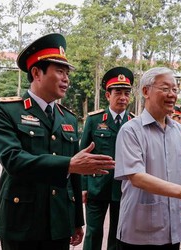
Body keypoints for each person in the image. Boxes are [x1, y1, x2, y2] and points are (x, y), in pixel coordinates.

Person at [0, 33, 115, 250]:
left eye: (67, 73)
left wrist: (76, 221)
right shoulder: (5, 109)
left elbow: (74, 175)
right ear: (37, 73)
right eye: (59, 71)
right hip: (21, 221)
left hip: (59, 221)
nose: (66, 79)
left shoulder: (68, 117)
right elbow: (13, 159)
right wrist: (69, 165)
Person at [114, 67, 181, 250]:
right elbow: (136, 177)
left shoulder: (180, 131)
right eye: (165, 88)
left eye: (175, 90)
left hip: (173, 226)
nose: (172, 95)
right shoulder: (131, 130)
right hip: (140, 230)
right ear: (146, 91)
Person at [81, 67, 135, 250]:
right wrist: (83, 186)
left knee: (118, 233)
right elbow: (83, 154)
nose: (123, 97)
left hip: (124, 188)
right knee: (93, 231)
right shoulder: (95, 120)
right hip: (97, 187)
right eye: (118, 92)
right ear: (107, 95)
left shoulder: (134, 122)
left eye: (126, 93)